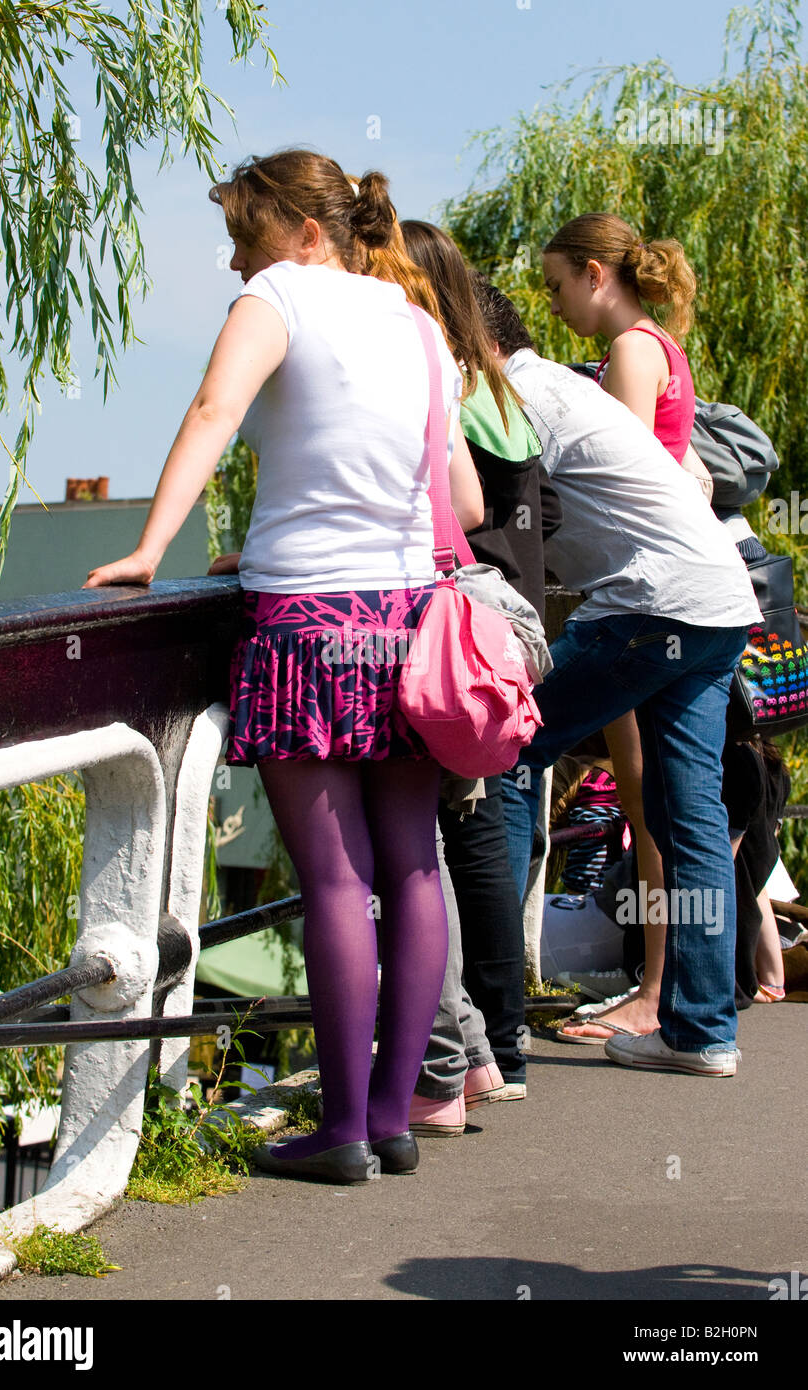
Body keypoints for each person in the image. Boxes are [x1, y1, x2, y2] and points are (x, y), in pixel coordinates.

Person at [83, 149, 485, 1182]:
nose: (231, 263)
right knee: (409, 863)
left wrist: (150, 550)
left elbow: (213, 414)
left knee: (336, 879)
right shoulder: (418, 321)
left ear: (304, 234)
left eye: (243, 236)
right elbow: (467, 507)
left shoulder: (279, 294)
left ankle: (340, 1129)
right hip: (408, 623)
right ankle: (393, 1118)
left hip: (308, 620)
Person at [476, 280, 763, 1075]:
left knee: (504, 747)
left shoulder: (512, 397)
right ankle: (701, 1032)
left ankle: (487, 1026)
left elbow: (490, 528)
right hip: (715, 597)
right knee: (689, 810)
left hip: (649, 603)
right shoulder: (567, 383)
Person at [540, 213, 714, 1044]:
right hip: (675, 597)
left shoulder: (633, 354)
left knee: (645, 805)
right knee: (670, 806)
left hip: (640, 596)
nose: (553, 303)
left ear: (596, 272)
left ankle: (652, 992)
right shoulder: (659, 348)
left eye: (558, 285)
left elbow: (617, 464)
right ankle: (685, 1008)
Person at [398, 221, 555, 1133]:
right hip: (508, 624)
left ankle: (476, 1050)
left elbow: (456, 504)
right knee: (487, 830)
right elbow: (548, 509)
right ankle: (501, 1043)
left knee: (464, 833)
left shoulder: (436, 378)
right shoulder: (502, 387)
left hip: (456, 614)